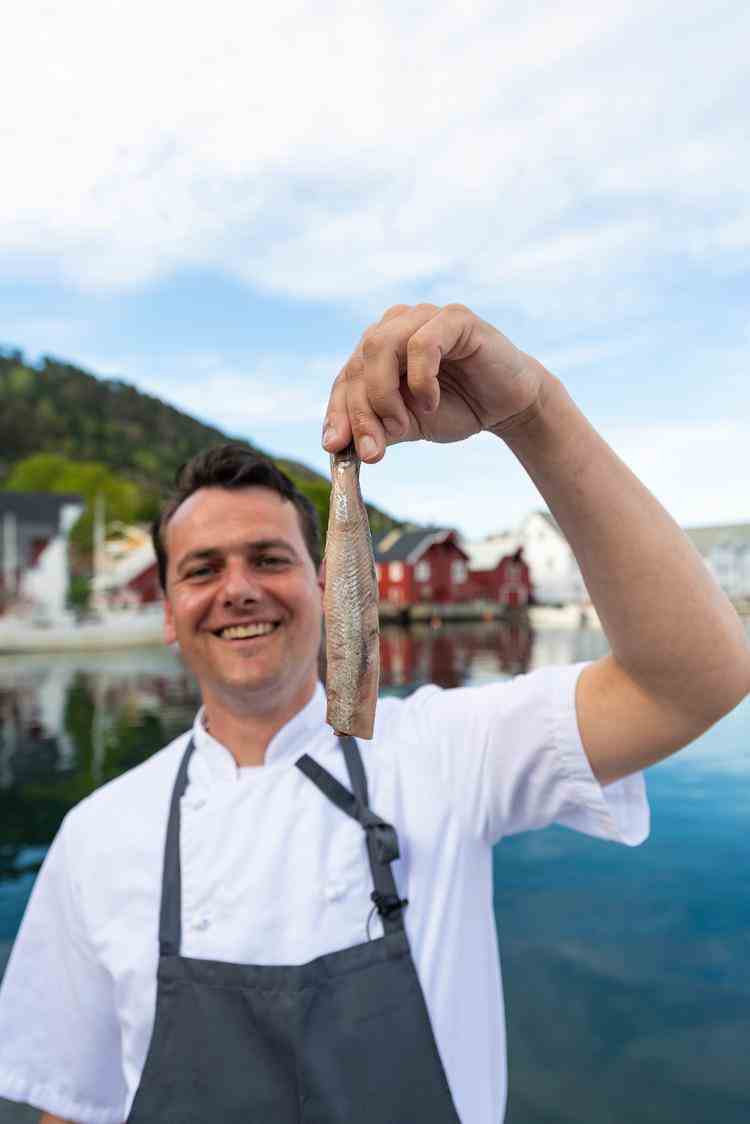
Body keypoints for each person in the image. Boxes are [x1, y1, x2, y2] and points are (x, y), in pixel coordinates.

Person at [0, 302, 748, 1124]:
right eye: (202, 568)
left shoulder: (444, 751)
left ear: (325, 588)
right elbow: (70, 1108)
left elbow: (696, 678)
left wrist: (533, 411)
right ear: (170, 613)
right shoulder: (98, 835)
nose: (239, 587)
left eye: (271, 557)